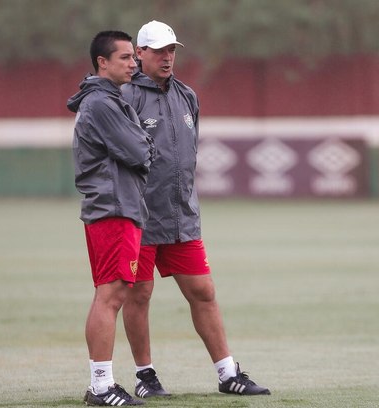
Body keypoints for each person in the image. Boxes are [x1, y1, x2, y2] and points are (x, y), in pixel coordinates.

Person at [121, 20, 270, 398]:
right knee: (139, 294)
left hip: (181, 215)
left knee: (203, 290)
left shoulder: (187, 95)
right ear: (139, 54)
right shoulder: (125, 97)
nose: (167, 57)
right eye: (158, 51)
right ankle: (145, 377)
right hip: (138, 216)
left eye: (171, 50)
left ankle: (227, 373)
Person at [66, 30, 156, 406]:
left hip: (117, 206)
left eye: (133, 59)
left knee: (111, 293)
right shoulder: (102, 103)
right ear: (102, 62)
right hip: (114, 206)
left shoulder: (109, 100)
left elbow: (139, 147)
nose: (133, 64)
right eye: (124, 58)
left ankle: (101, 384)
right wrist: (144, 142)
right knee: (112, 294)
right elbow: (140, 151)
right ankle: (101, 386)